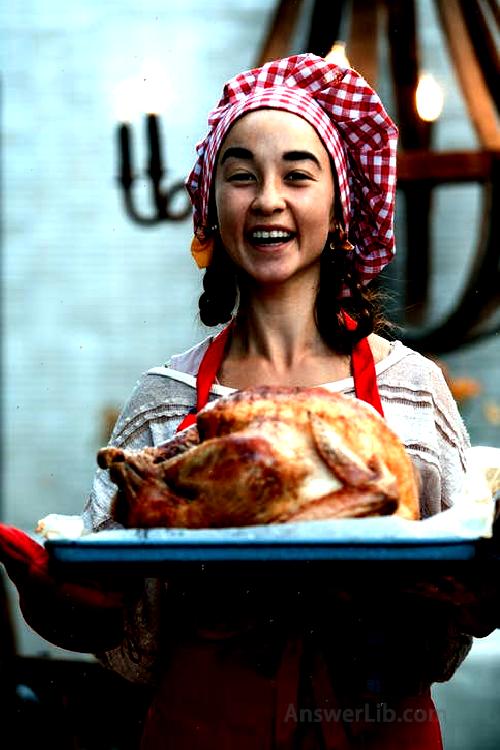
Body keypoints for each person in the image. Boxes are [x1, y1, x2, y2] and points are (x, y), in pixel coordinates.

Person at [0, 54, 498, 749]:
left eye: (298, 174)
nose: (268, 198)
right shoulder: (163, 403)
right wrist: (81, 607)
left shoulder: (415, 392)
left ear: (339, 204)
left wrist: (471, 593)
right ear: (213, 206)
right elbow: (134, 649)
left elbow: (448, 632)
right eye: (242, 174)